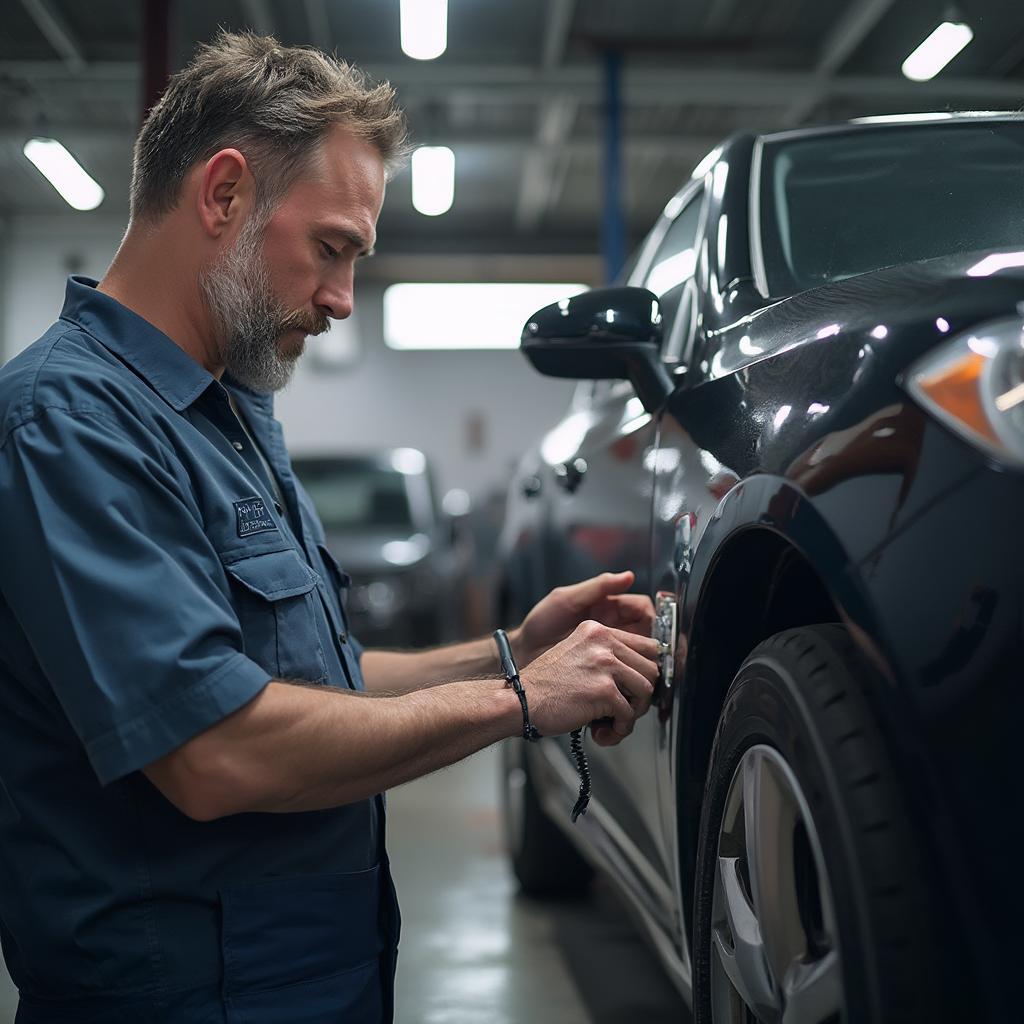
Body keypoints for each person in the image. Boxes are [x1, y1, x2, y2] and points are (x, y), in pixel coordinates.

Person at [0, 31, 661, 1024]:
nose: (344, 299)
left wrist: (504, 655)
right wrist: (521, 701)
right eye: (332, 248)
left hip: (306, 976)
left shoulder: (226, 418)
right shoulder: (70, 424)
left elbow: (313, 683)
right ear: (222, 195)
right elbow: (220, 748)